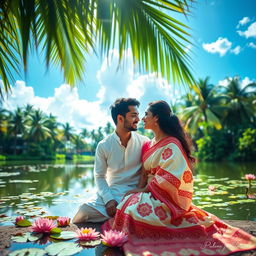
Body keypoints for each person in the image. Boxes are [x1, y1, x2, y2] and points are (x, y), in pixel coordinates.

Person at [102, 100, 256, 255]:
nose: (143, 118)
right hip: (149, 193)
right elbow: (144, 172)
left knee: (136, 210)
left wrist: (141, 190)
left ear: (156, 118)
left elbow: (169, 178)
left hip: (166, 198)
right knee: (128, 203)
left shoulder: (172, 144)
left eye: (146, 114)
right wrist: (138, 191)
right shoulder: (149, 144)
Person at [72, 98, 149, 223]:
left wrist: (139, 192)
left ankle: (122, 216)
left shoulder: (144, 142)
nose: (138, 119)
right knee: (84, 210)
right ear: (120, 118)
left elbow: (148, 173)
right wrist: (108, 200)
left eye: (138, 115)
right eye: (134, 115)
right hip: (113, 192)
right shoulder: (104, 145)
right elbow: (100, 176)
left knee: (142, 213)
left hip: (137, 194)